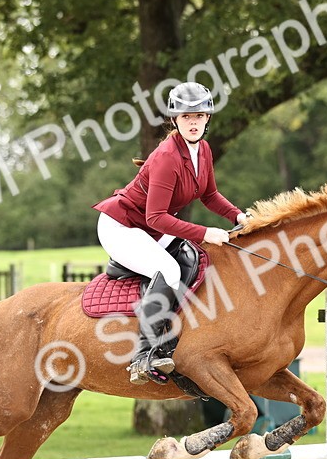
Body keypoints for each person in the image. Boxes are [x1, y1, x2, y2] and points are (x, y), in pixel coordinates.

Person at [92, 81, 248, 384]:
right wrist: (205, 231)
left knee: (192, 257)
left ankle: (177, 338)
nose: (194, 122)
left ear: (208, 119)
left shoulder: (202, 149)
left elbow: (210, 195)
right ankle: (144, 355)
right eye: (187, 117)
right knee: (168, 267)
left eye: (200, 116)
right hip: (122, 226)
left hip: (149, 228)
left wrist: (239, 215)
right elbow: (156, 217)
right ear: (175, 120)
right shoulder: (167, 156)